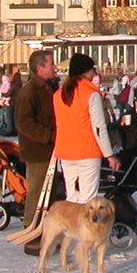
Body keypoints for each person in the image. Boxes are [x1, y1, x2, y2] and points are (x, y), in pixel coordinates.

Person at [53, 53, 120, 203]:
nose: (94, 73)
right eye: (92, 69)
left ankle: (71, 226)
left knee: (72, 197)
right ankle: (84, 227)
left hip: (65, 152)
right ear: (85, 72)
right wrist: (109, 155)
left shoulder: (58, 95)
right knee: (87, 199)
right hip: (87, 151)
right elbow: (99, 128)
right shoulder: (91, 94)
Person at [14, 49, 58, 254]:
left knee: (49, 195)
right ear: (39, 68)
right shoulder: (29, 91)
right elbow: (23, 123)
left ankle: (45, 233)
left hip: (50, 150)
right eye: (51, 64)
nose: (54, 67)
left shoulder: (48, 87)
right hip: (37, 151)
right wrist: (48, 135)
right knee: (37, 194)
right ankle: (31, 235)